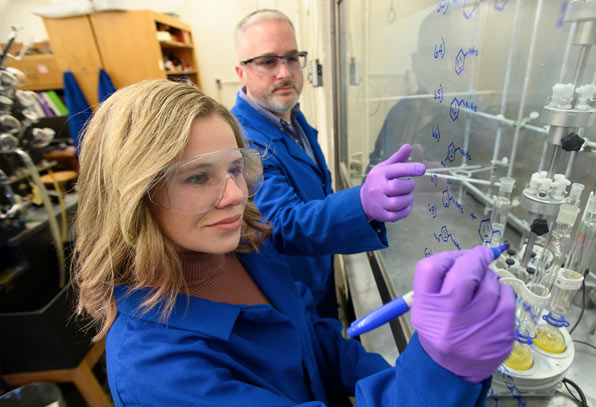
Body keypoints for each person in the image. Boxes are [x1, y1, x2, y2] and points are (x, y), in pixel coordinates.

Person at [72, 79, 515, 406]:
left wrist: (401, 379)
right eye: (197, 177)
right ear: (131, 197)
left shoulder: (241, 246)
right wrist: (437, 371)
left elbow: (314, 336)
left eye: (234, 168)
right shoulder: (159, 373)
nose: (236, 194)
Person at [232, 9, 426, 318]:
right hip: (290, 290)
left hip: (316, 271)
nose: (284, 72)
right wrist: (361, 203)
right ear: (241, 72)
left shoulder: (290, 114)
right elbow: (280, 224)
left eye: (292, 58)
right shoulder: (242, 140)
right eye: (268, 62)